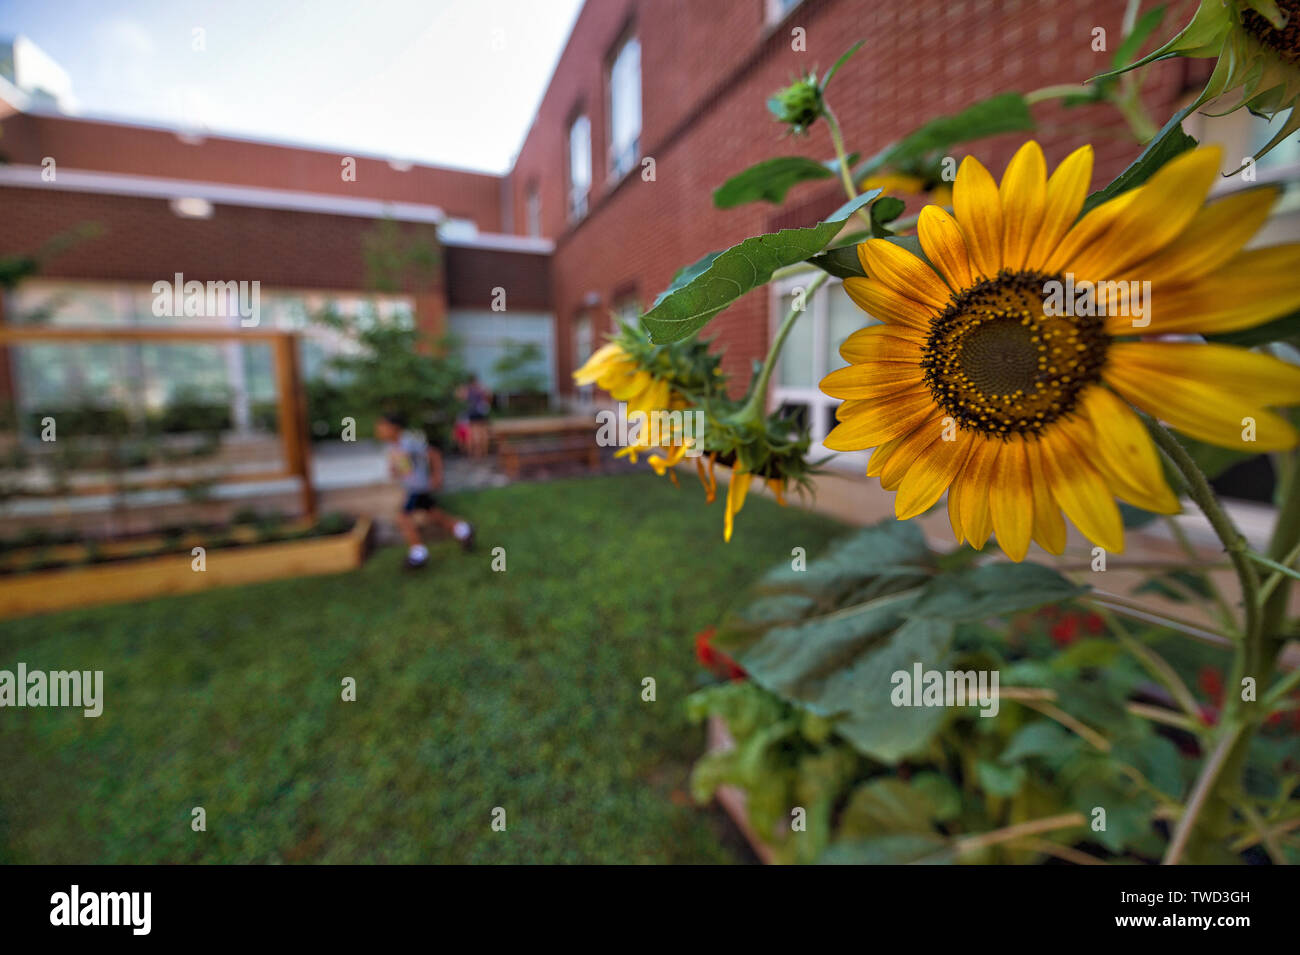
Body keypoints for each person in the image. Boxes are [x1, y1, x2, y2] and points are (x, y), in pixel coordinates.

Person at [375, 411, 475, 568]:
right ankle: (464, 530)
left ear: (394, 428)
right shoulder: (392, 445)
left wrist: (437, 475)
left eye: (382, 426)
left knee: (403, 518)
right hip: (412, 487)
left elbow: (433, 454)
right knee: (434, 514)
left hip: (419, 487)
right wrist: (395, 470)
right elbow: (402, 466)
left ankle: (418, 555)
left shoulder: (409, 441)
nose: (379, 429)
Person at [460, 374, 493, 459]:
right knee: (483, 433)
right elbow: (489, 396)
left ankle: (474, 454)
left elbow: (461, 397)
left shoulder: (467, 389)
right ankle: (483, 453)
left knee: (473, 433)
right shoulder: (482, 387)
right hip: (482, 411)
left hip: (472, 412)